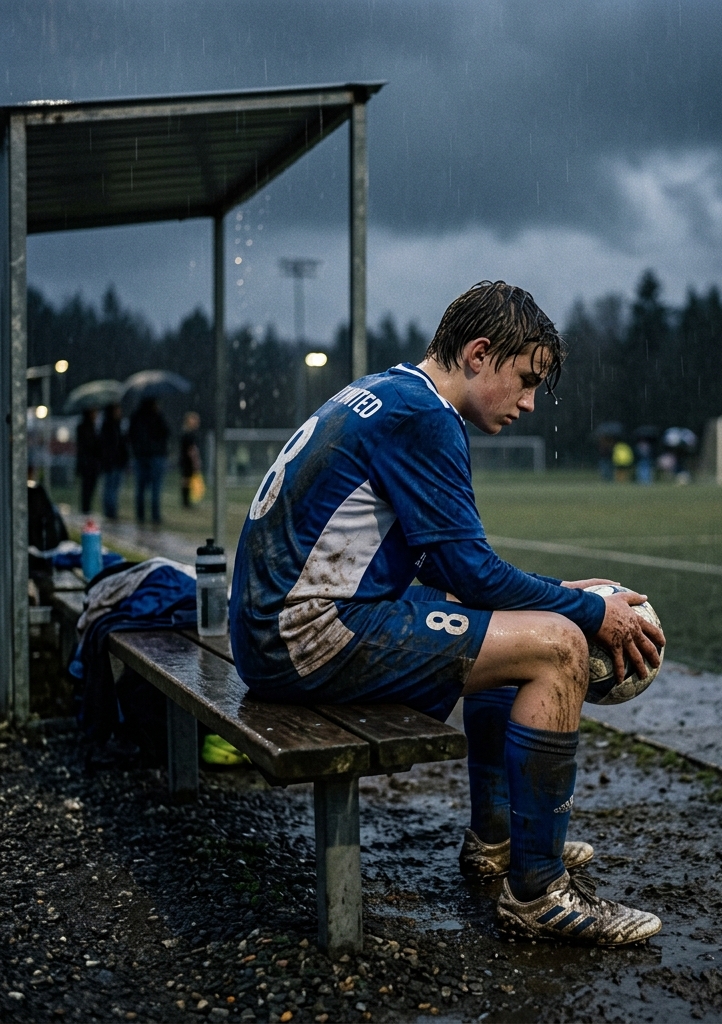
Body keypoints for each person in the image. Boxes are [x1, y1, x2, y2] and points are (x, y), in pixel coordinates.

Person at [230, 281, 665, 945]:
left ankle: (495, 841)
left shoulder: (394, 392)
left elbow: (451, 571)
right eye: (524, 381)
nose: (527, 404)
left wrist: (561, 593)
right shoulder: (426, 417)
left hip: (276, 627)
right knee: (558, 649)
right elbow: (467, 572)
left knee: (517, 628)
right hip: (307, 635)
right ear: (478, 353)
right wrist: (588, 613)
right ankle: (540, 892)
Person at [128, 397, 170, 524]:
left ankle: (140, 515)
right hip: (155, 456)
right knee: (155, 488)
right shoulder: (156, 416)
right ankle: (155, 515)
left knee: (141, 488)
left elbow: (131, 435)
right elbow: (166, 432)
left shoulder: (136, 416)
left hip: (141, 456)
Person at [98, 403, 128, 520]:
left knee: (114, 488)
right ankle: (110, 512)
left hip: (117, 462)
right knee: (110, 488)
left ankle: (112, 510)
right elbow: (107, 446)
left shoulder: (119, 425)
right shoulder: (108, 426)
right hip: (111, 462)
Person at [75, 409, 101, 514]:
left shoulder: (93, 427)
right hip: (88, 463)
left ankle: (86, 508)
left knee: (89, 488)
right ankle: (85, 509)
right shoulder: (84, 427)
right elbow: (88, 445)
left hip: (91, 463)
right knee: (87, 487)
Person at [179, 412, 202, 508]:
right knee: (186, 480)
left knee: (186, 480)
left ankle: (186, 501)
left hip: (185, 460)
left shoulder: (187, 433)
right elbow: (191, 450)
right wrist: (195, 461)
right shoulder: (188, 434)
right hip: (187, 461)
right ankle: (186, 502)